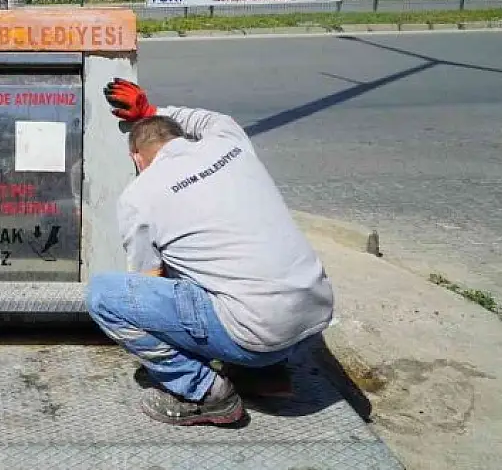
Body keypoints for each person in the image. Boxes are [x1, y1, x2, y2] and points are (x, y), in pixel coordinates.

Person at [86, 78, 335, 426]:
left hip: (257, 334)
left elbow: (147, 278)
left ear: (136, 158)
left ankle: (206, 393)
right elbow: (210, 119)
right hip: (312, 321)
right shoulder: (228, 142)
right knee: (227, 261)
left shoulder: (138, 196)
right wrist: (152, 111)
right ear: (180, 138)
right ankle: (266, 375)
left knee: (105, 296)